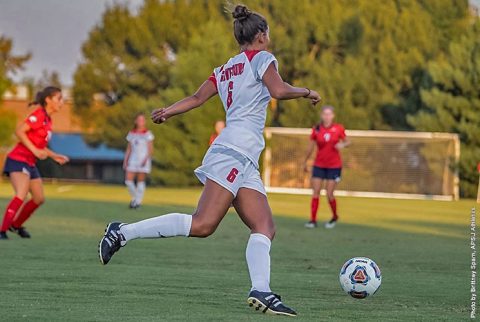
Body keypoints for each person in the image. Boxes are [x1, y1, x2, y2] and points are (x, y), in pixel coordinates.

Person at [98, 4, 320, 316]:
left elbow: (197, 98)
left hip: (243, 158)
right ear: (261, 36)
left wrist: (167, 111)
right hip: (233, 152)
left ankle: (262, 290)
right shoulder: (264, 58)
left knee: (265, 226)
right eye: (267, 32)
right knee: (203, 225)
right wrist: (307, 91)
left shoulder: (225, 69)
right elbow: (279, 90)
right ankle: (122, 232)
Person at [1, 86, 69, 240]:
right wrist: (35, 151)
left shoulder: (47, 119)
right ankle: (2, 231)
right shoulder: (39, 115)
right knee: (21, 194)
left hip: (29, 163)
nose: (62, 102)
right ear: (48, 100)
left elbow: (40, 145)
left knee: (39, 198)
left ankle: (15, 225)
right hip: (18, 160)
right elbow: (19, 131)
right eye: (59, 98)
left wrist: (54, 156)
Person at [303, 106, 350, 229]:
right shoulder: (317, 129)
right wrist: (305, 161)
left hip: (334, 166)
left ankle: (334, 216)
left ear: (333, 116)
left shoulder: (338, 128)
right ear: (321, 115)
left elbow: (348, 141)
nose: (327, 116)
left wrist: (342, 144)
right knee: (316, 192)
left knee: (329, 193)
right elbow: (310, 147)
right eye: (325, 114)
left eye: (329, 114)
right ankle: (313, 220)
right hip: (319, 164)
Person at [123, 113, 154, 209]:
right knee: (128, 181)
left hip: (143, 160)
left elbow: (150, 149)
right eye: (139, 120)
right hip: (133, 159)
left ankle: (138, 202)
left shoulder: (148, 134)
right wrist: (125, 160)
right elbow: (129, 149)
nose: (141, 122)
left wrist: (146, 159)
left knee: (140, 181)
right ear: (135, 121)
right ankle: (135, 199)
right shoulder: (131, 133)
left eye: (142, 120)